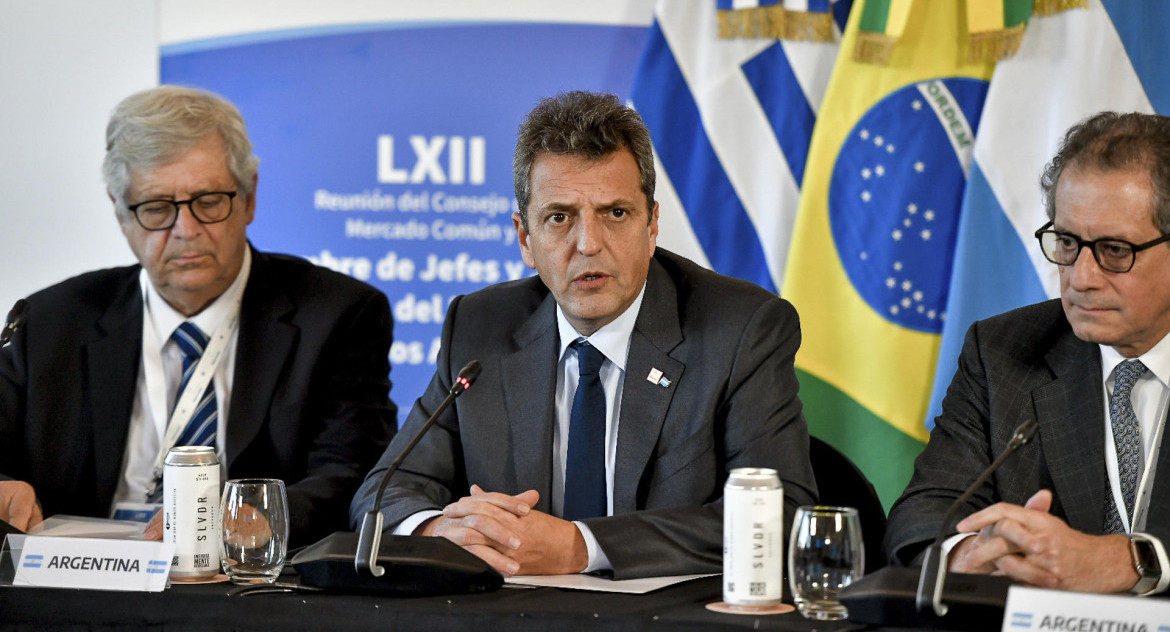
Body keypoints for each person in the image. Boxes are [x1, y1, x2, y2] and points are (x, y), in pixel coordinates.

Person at [349, 91, 816, 579]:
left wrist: (582, 547)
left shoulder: (741, 329)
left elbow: (781, 514)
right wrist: (436, 531)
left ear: (652, 225)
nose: (589, 244)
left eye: (616, 213)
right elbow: (384, 492)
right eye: (559, 217)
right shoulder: (481, 326)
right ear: (525, 239)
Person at [0, 85, 397, 548]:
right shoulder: (50, 321)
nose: (185, 231)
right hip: (84, 582)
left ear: (249, 198)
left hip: (240, 589)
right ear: (120, 213)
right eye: (156, 208)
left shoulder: (337, 315)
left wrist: (253, 522)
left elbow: (350, 475)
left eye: (208, 202)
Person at [885, 111, 1170, 595]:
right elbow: (922, 515)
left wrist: (1136, 560)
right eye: (1066, 243)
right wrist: (976, 552)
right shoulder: (1003, 352)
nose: (1080, 277)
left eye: (1115, 250)